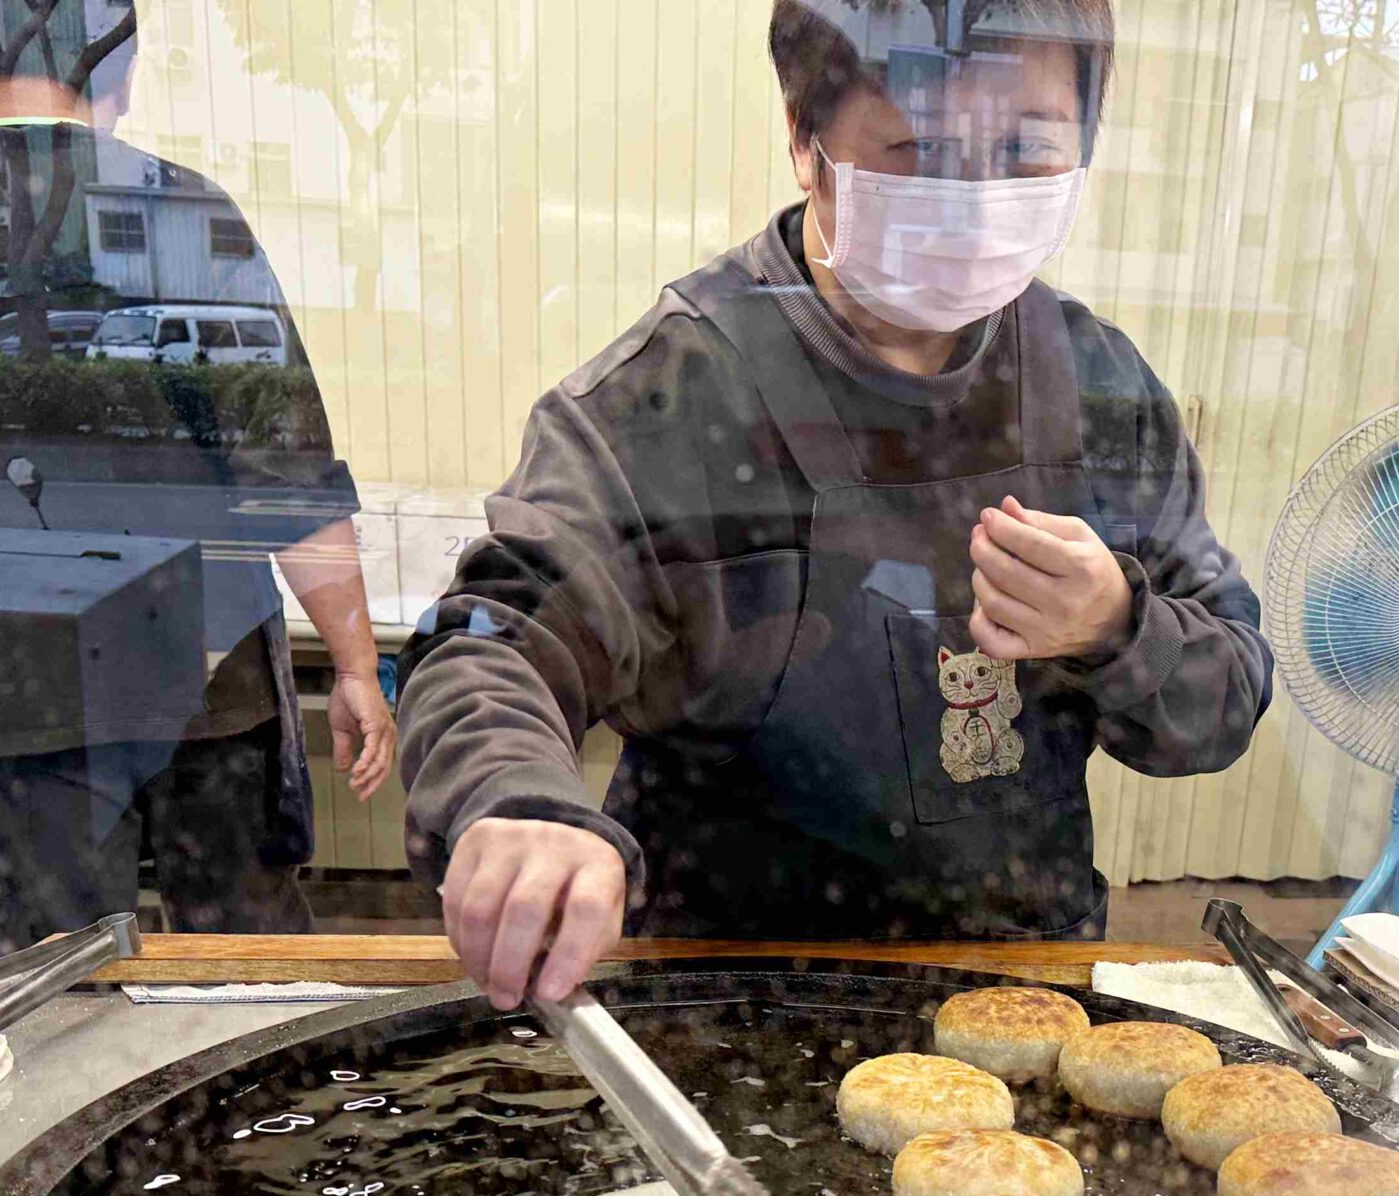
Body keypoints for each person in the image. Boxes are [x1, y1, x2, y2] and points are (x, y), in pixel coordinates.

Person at [399, 0, 1266, 1008]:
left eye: (1025, 151)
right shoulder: (679, 394)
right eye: (920, 147)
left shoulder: (1095, 389)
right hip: (726, 1001)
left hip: (1023, 988)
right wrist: (514, 800)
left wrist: (1120, 627)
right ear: (806, 143)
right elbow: (494, 640)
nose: (975, 199)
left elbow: (1225, 700)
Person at [0, 0, 394, 945]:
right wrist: (357, 666)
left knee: (64, 984)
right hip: (206, 682)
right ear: (121, 70)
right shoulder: (182, 214)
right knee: (245, 966)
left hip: (22, 686)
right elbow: (290, 479)